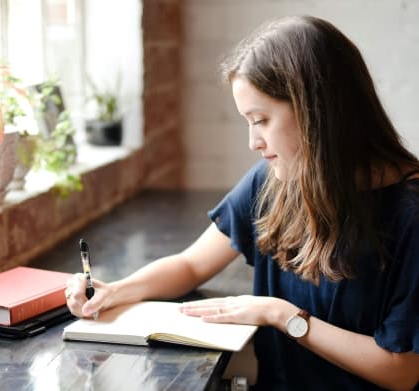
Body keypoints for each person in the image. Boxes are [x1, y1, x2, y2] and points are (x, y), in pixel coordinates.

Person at [66, 15, 419, 390]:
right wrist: (115, 291)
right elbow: (191, 264)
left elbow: (399, 371)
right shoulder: (274, 182)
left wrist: (283, 315)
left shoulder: (409, 216)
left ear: (316, 112)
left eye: (261, 120)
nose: (254, 142)